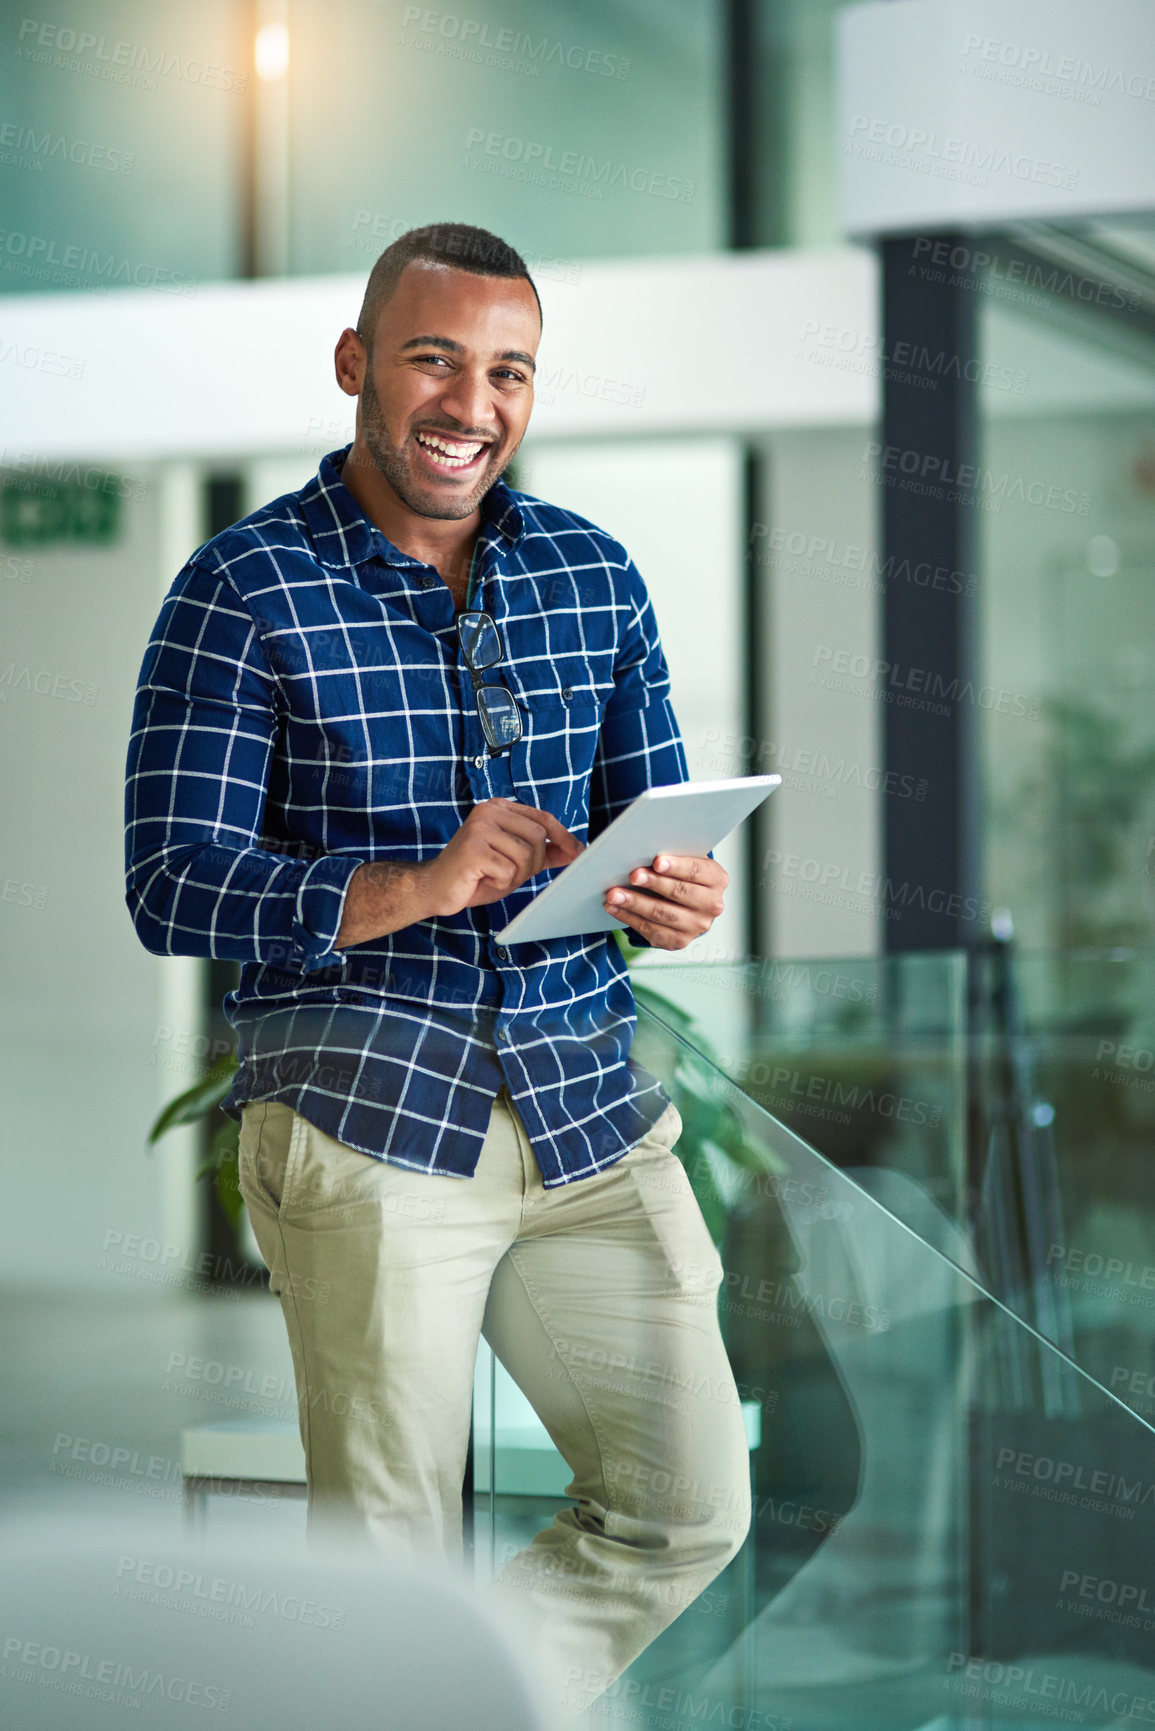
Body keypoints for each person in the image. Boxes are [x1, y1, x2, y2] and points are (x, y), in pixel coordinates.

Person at [124, 222, 751, 1719]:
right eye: (434, 360)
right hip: (367, 1116)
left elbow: (640, 826)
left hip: (587, 1112)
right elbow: (169, 884)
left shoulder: (594, 574)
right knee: (387, 1566)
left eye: (509, 372)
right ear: (356, 366)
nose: (473, 403)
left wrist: (670, 892)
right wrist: (417, 883)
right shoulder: (242, 590)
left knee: (690, 1505)